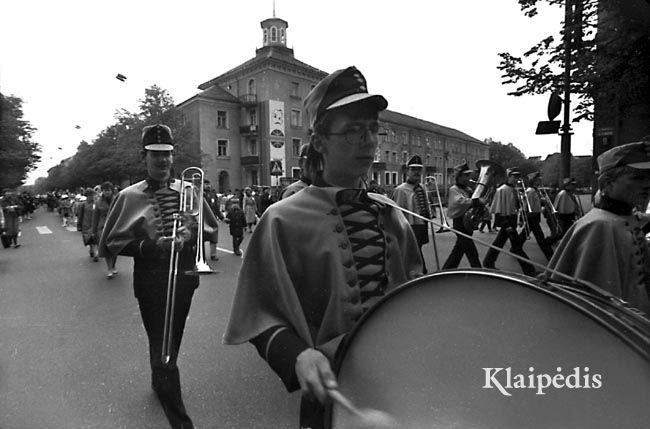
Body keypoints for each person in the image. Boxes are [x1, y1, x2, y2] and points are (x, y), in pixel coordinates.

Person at [223, 66, 423, 429]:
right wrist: (298, 355)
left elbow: (417, 298)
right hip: (332, 396)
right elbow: (258, 313)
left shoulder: (393, 216)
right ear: (319, 142)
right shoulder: (282, 219)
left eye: (372, 129)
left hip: (401, 386)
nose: (368, 141)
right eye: (352, 131)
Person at [99, 124, 218, 428]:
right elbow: (110, 242)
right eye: (156, 155)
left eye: (167, 155)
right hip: (151, 281)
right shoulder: (129, 196)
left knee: (170, 340)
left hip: (185, 279)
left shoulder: (189, 190)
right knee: (163, 347)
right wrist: (151, 247)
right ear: (144, 157)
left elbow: (210, 227)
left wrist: (189, 235)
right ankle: (180, 420)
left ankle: (159, 378)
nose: (163, 161)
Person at [547, 140, 650, 315]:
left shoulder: (624, 219)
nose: (647, 185)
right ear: (607, 184)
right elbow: (598, 306)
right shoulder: (599, 226)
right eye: (638, 178)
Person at [482, 167, 536, 276]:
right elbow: (498, 210)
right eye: (514, 177)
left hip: (512, 220)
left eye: (517, 177)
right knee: (517, 247)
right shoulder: (502, 189)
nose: (516, 179)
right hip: (507, 221)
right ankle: (529, 270)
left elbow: (514, 206)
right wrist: (505, 224)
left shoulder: (513, 189)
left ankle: (488, 262)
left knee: (499, 243)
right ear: (509, 177)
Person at [392, 154, 432, 273]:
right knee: (415, 253)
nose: (416, 172)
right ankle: (421, 272)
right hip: (409, 227)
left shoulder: (423, 188)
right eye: (413, 169)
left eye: (419, 169)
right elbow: (396, 212)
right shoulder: (401, 190)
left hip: (421, 226)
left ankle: (416, 272)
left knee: (416, 251)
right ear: (407, 171)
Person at [442, 162, 483, 269]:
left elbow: (472, 203)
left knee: (458, 251)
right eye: (466, 176)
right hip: (460, 223)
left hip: (468, 223)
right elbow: (459, 202)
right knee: (471, 251)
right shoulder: (454, 189)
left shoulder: (467, 189)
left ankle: (447, 269)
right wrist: (476, 201)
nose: (468, 178)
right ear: (459, 176)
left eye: (468, 175)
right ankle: (478, 271)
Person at [520, 172, 554, 260]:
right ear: (534, 180)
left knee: (524, 234)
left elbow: (536, 203)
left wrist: (543, 201)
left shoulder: (535, 190)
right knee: (540, 237)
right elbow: (525, 205)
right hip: (532, 216)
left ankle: (516, 248)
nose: (540, 180)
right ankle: (550, 255)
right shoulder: (530, 191)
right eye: (538, 179)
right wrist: (522, 217)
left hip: (535, 215)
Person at [94, 182, 118, 278]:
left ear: (112, 191)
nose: (106, 192)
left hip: (115, 226)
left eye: (108, 190)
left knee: (115, 248)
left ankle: (113, 265)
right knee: (106, 248)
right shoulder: (98, 202)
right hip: (102, 227)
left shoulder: (117, 200)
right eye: (104, 190)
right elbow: (95, 217)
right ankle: (109, 268)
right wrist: (94, 231)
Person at [203, 181, 224, 261]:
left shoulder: (213, 194)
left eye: (209, 184)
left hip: (212, 218)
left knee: (214, 236)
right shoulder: (199, 193)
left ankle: (213, 254)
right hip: (203, 218)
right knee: (202, 237)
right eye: (206, 184)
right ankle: (201, 255)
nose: (208, 186)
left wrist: (221, 217)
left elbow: (216, 207)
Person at [77, 188, 98, 261]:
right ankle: (92, 249)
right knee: (89, 240)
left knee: (95, 239)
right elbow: (80, 216)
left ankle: (96, 253)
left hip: (95, 224)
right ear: (87, 196)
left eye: (93, 195)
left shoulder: (97, 203)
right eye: (90, 195)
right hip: (86, 224)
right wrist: (79, 226)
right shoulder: (83, 205)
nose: (92, 197)